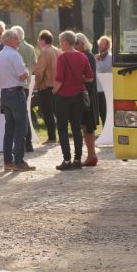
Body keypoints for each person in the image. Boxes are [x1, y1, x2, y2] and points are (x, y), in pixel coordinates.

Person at [0, 29, 35, 172]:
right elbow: (23, 75)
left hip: (4, 94)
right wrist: (27, 72)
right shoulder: (14, 54)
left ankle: (7, 162)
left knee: (9, 129)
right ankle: (18, 161)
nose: (19, 41)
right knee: (20, 129)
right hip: (16, 93)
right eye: (16, 39)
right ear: (9, 40)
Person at [53, 31, 93, 171]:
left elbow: (59, 79)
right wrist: (78, 78)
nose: (60, 44)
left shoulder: (62, 58)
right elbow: (90, 78)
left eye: (60, 41)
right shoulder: (82, 56)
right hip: (77, 97)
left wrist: (54, 91)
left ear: (65, 42)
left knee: (63, 129)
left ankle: (66, 160)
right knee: (76, 128)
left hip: (63, 96)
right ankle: (77, 159)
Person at [75, 33, 100, 167]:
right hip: (86, 95)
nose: (75, 46)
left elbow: (88, 77)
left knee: (88, 127)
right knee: (85, 126)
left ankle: (92, 155)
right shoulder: (85, 55)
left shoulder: (88, 56)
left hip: (88, 96)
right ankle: (91, 155)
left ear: (83, 43)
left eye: (77, 43)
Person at [11, 25, 37, 152]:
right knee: (25, 112)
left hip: (18, 84)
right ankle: (28, 142)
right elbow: (34, 66)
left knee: (20, 115)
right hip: (28, 84)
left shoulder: (15, 48)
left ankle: (24, 142)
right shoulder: (31, 48)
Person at [33, 30, 61, 144]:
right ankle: (61, 136)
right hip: (58, 87)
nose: (38, 42)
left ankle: (52, 137)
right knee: (58, 113)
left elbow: (39, 72)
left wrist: (37, 85)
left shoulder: (45, 52)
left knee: (48, 113)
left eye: (39, 40)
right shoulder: (58, 51)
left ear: (43, 41)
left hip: (46, 86)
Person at [95, 35, 113, 126]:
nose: (100, 45)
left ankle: (106, 127)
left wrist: (98, 61)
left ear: (107, 45)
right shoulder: (100, 56)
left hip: (105, 87)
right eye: (100, 44)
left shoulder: (109, 56)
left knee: (105, 110)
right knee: (101, 110)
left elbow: (105, 68)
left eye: (102, 44)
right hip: (98, 87)